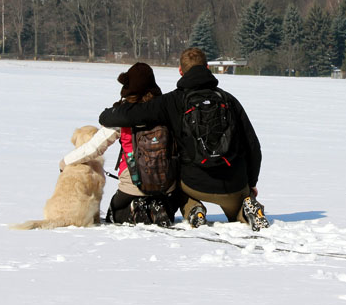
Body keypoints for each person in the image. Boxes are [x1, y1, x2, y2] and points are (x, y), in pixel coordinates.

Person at [98, 47, 268, 230]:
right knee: (237, 211)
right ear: (207, 67)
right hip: (234, 184)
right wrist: (251, 183)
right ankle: (246, 208)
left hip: (194, 184)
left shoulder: (172, 101)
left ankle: (194, 210)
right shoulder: (229, 100)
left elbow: (132, 115)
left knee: (177, 186)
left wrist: (107, 115)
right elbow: (253, 147)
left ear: (180, 70)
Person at [61, 62, 184, 226]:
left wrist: (66, 161)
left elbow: (93, 148)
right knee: (167, 199)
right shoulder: (165, 109)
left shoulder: (122, 115)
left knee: (114, 213)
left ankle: (136, 207)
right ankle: (158, 207)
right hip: (166, 183)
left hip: (133, 182)